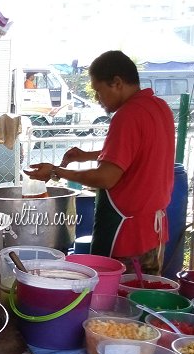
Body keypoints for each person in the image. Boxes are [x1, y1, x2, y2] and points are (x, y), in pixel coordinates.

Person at [25, 50, 175, 275]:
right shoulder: (158, 107)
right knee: (145, 299)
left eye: (98, 90)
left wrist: (56, 171)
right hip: (154, 232)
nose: (97, 98)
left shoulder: (127, 115)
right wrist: (86, 155)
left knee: (116, 304)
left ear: (116, 83)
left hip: (126, 236)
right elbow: (136, 152)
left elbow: (106, 178)